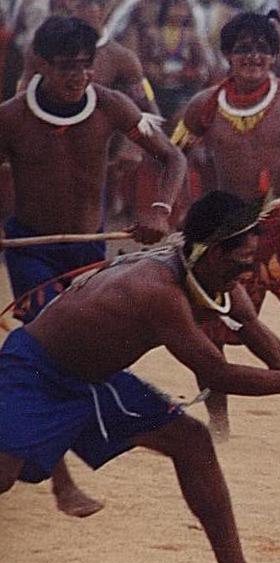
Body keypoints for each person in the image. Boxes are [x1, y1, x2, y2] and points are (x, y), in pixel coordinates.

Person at [0, 191, 280, 563]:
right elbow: (219, 375)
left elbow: (279, 357)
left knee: (192, 441)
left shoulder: (219, 278)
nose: (248, 271)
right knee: (3, 477)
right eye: (242, 260)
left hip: (98, 380)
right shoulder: (157, 290)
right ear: (215, 252)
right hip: (35, 373)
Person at [0, 15, 187, 517]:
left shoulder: (112, 105)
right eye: (66, 67)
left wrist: (160, 210)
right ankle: (61, 484)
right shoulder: (12, 118)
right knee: (45, 356)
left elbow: (173, 159)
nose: (78, 76)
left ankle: (46, 462)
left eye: (85, 66)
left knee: (77, 355)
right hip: (31, 249)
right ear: (39, 64)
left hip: (87, 252)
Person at [172, 12, 280, 443]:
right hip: (233, 235)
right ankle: (218, 427)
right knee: (212, 335)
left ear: (274, 54)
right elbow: (174, 156)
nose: (254, 57)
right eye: (243, 48)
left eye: (263, 48)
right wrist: (181, 212)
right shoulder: (204, 106)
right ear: (228, 55)